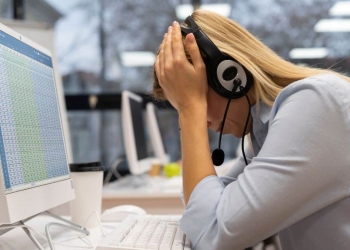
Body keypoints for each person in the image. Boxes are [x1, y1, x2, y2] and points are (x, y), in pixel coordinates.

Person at [152, 9, 350, 250]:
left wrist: (189, 109)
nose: (202, 123)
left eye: (199, 99)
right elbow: (206, 205)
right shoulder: (268, 128)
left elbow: (214, 234)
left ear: (229, 76)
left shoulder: (316, 102)